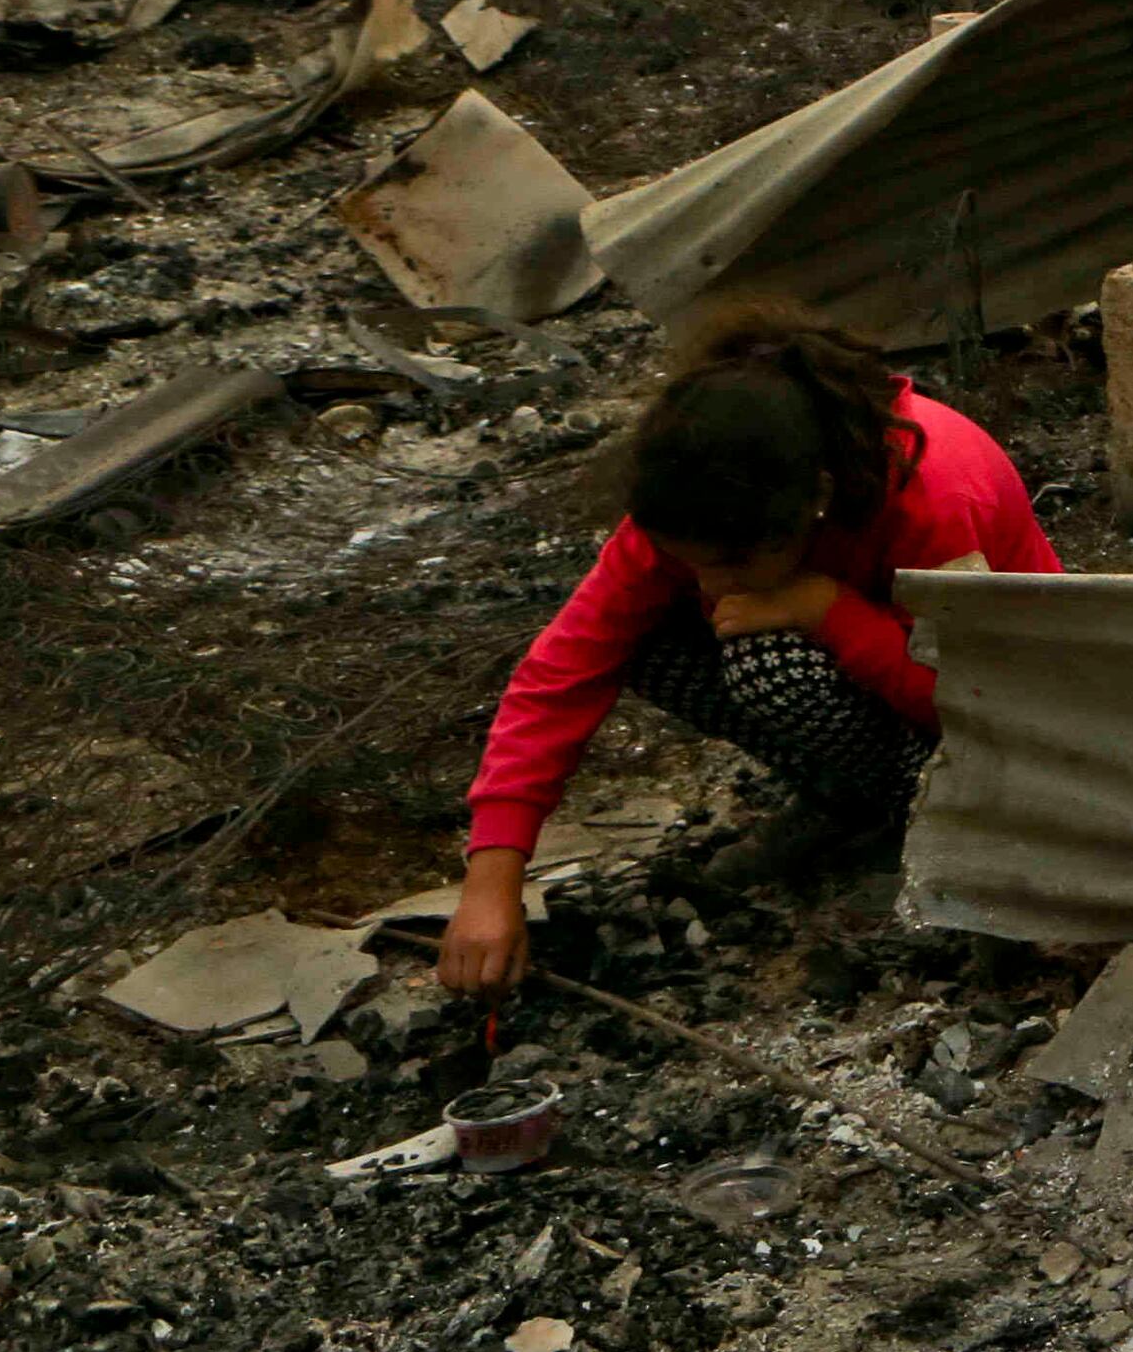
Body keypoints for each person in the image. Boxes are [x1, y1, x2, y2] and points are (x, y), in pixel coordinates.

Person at [438, 303, 1060, 999]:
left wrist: (829, 611)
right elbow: (566, 667)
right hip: (895, 688)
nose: (710, 587)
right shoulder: (703, 502)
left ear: (815, 502)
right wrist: (492, 877)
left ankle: (924, 819)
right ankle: (847, 802)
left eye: (731, 564)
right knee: (647, 639)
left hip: (1016, 730)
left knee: (771, 663)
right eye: (694, 565)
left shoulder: (935, 499)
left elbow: (984, 701)